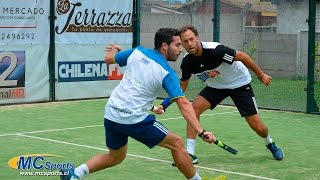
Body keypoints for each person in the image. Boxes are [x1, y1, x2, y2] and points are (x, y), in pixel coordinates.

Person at [59, 28, 217, 180]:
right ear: (164, 46)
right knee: (176, 143)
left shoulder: (137, 51)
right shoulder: (167, 73)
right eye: (177, 45)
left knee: (115, 156)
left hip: (111, 113)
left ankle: (75, 173)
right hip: (133, 119)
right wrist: (201, 131)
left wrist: (114, 49)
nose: (180, 49)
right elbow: (183, 104)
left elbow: (108, 60)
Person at [156, 26, 284, 165]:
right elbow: (181, 88)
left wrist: (261, 75)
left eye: (192, 39)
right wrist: (164, 105)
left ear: (197, 38)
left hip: (239, 83)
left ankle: (270, 142)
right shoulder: (188, 62)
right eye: (185, 41)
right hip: (217, 86)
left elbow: (243, 56)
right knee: (193, 110)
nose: (190, 44)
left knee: (257, 126)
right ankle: (190, 153)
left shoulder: (216, 51)